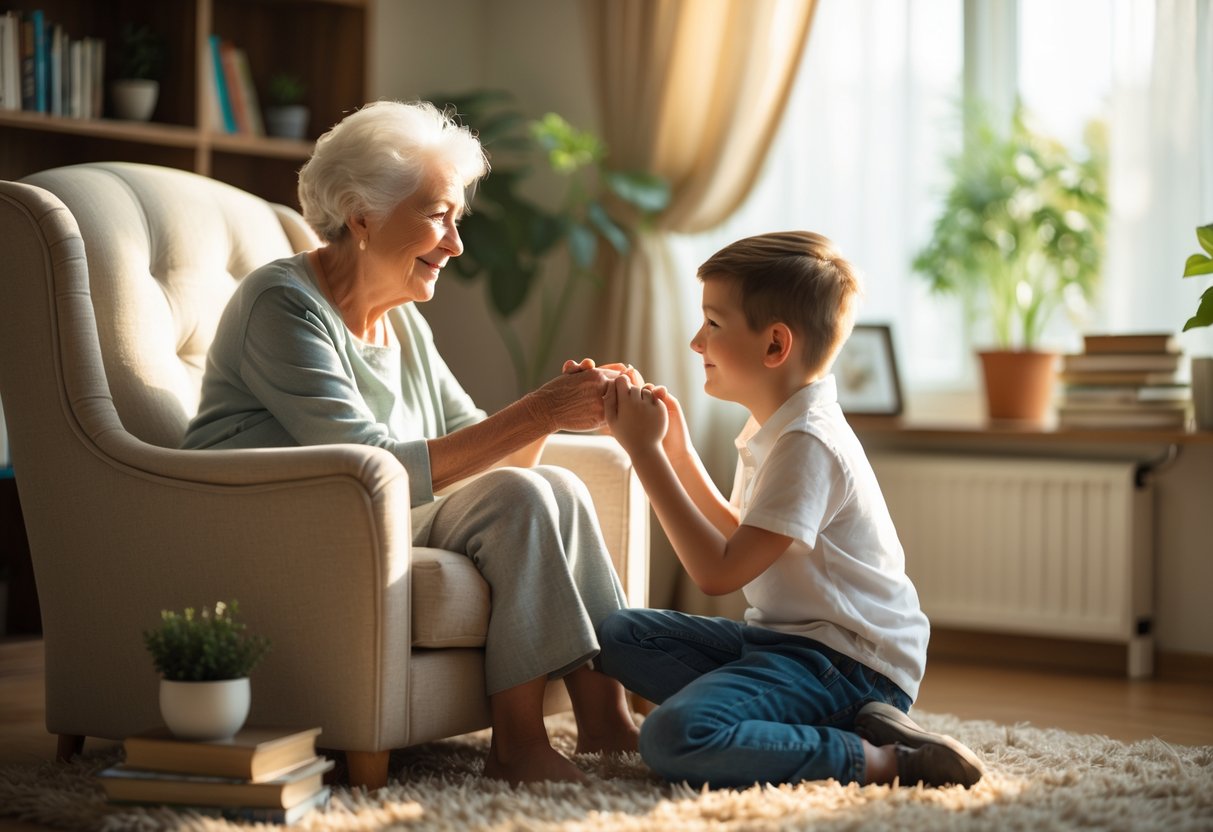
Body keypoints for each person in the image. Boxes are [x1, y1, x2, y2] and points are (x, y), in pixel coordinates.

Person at [183, 100, 639, 785]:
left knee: (556, 485)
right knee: (519, 494)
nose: (455, 243)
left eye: (456, 219)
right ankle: (515, 745)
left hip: (373, 516)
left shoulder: (403, 325)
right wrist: (533, 410)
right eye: (437, 216)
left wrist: (550, 416)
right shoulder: (281, 305)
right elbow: (368, 466)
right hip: (286, 522)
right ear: (361, 214)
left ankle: (606, 721)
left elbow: (488, 458)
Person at [596, 231, 984, 790]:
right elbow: (744, 536)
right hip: (785, 645)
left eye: (713, 324)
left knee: (674, 737)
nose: (695, 342)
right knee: (618, 636)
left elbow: (718, 571)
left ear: (775, 345)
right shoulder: (774, 426)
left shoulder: (809, 442)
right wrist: (678, 454)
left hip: (849, 666)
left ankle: (885, 757)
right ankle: (813, 719)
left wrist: (644, 451)